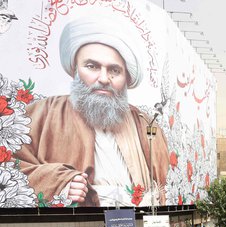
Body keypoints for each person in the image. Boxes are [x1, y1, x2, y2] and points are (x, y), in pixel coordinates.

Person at [15, 15, 169, 207]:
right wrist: (60, 182)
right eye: (92, 66)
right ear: (75, 69)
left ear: (126, 78)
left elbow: (163, 183)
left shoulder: (145, 124)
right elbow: (11, 167)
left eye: (114, 70)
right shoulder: (42, 114)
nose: (104, 78)